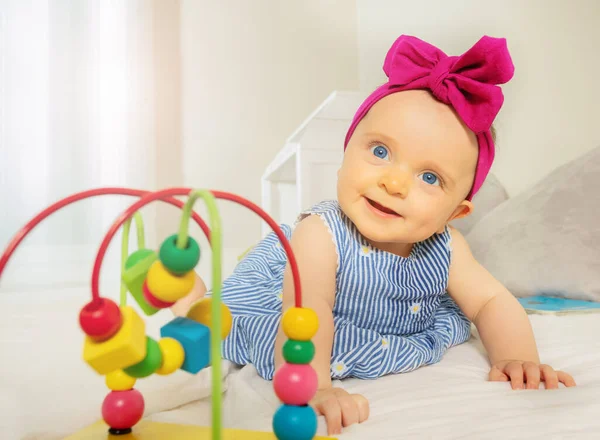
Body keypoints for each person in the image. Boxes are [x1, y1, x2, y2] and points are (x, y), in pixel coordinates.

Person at [172, 35, 576, 436]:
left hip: (378, 327)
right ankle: (192, 299)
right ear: (345, 156)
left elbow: (490, 300)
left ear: (454, 214)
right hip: (294, 308)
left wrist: (517, 357)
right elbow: (306, 312)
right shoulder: (321, 233)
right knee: (223, 323)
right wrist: (315, 387)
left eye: (429, 177)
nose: (395, 183)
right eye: (380, 152)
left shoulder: (448, 247)